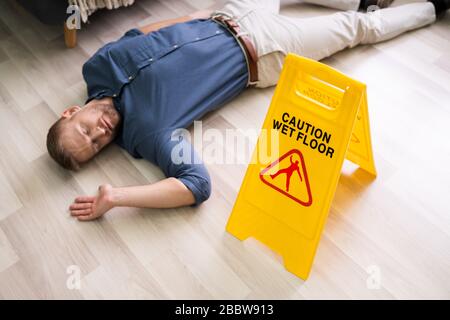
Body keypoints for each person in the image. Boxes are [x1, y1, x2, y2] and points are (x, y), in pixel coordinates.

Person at [46, 0, 449, 221]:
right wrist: (116, 197)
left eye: (85, 133)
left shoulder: (95, 66)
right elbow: (196, 185)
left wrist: (194, 16)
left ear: (69, 112)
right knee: (358, 28)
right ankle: (433, 6)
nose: (100, 135)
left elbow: (141, 33)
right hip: (265, 48)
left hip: (230, 12)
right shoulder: (146, 134)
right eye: (96, 146)